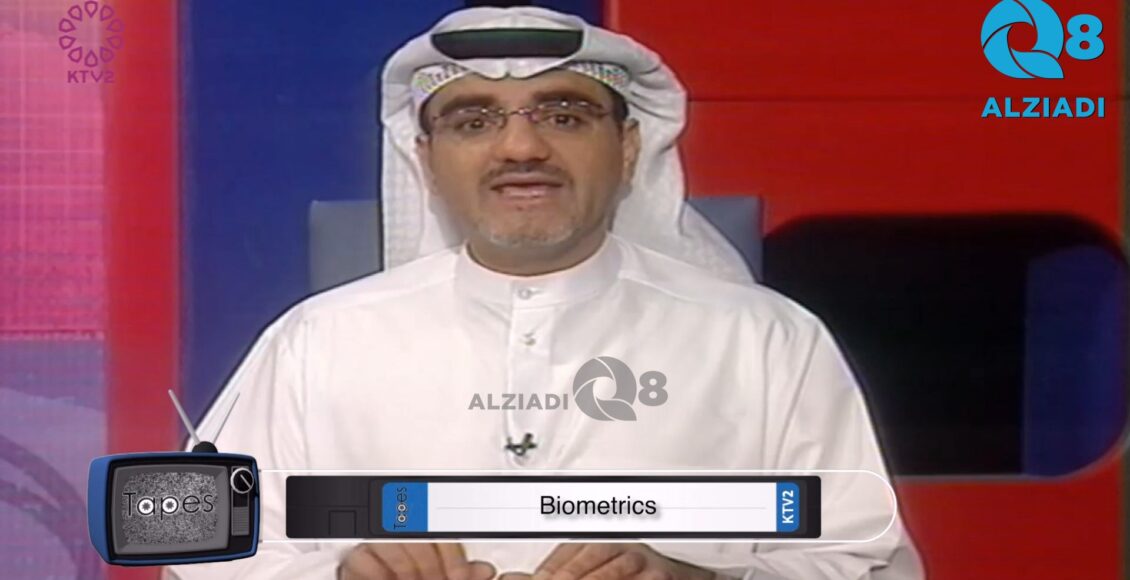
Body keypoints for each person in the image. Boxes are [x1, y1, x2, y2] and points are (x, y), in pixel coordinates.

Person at [167, 6, 922, 580]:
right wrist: (338, 575)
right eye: (474, 121)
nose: (522, 147)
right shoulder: (315, 339)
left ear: (628, 148)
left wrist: (699, 578)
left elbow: (876, 562)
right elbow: (191, 548)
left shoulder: (767, 339)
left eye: (565, 116)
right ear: (426, 160)